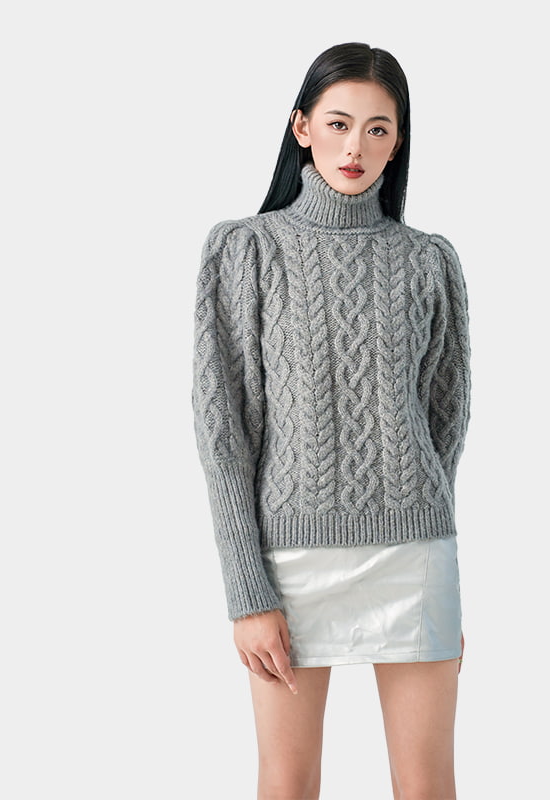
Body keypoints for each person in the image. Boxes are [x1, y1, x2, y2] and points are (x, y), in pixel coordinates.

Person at [192, 41, 472, 800]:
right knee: (287, 785)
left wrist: (439, 553)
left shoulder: (429, 260)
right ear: (302, 127)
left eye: (378, 129)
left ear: (398, 141)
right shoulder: (245, 251)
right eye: (339, 123)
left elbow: (445, 421)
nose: (356, 148)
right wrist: (247, 591)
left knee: (427, 787)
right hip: (288, 561)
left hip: (414, 554)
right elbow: (224, 435)